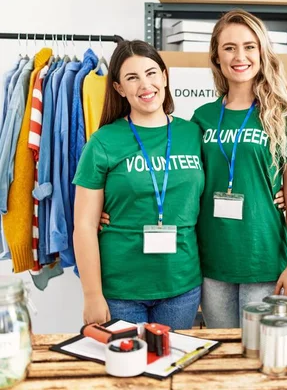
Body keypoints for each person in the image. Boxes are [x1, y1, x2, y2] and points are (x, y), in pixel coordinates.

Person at [191, 9, 287, 328]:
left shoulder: (286, 114)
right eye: (229, 47)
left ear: (262, 52)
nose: (239, 56)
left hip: (264, 259)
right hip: (211, 260)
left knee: (259, 356)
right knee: (222, 352)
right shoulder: (201, 117)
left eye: (249, 46)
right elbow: (181, 179)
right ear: (216, 56)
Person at [72, 40, 205, 329]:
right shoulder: (103, 142)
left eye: (151, 73)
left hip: (181, 285)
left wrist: (276, 190)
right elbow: (83, 225)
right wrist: (92, 294)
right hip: (121, 291)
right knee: (125, 373)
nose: (145, 85)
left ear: (165, 76)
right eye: (132, 77)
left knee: (169, 369)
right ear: (119, 88)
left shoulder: (193, 134)